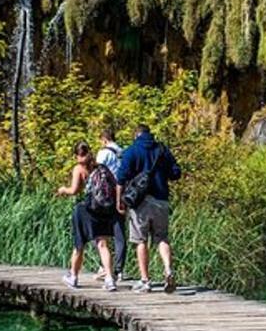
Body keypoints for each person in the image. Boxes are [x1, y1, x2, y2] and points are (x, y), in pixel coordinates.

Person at [114, 124, 182, 293]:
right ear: (149, 134)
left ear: (136, 135)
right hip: (161, 200)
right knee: (162, 238)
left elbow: (121, 178)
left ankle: (145, 281)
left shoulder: (131, 151)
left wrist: (119, 201)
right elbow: (176, 173)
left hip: (140, 203)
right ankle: (168, 270)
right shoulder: (162, 150)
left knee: (140, 240)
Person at [56, 141, 117, 291]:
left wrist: (63, 190)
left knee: (79, 245)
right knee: (103, 244)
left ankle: (74, 277)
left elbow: (75, 190)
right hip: (103, 209)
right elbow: (114, 184)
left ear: (77, 155)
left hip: (87, 209)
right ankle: (109, 279)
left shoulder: (79, 168)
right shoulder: (100, 167)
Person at [94, 129, 126, 282]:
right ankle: (119, 270)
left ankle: (104, 267)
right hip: (121, 195)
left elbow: (96, 173)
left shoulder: (103, 153)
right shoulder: (123, 152)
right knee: (119, 233)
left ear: (104, 140)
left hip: (105, 197)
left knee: (100, 232)